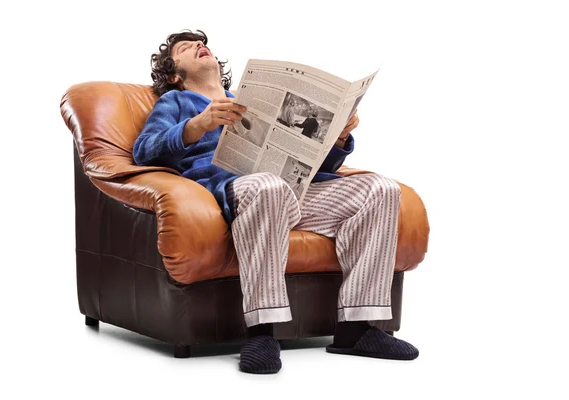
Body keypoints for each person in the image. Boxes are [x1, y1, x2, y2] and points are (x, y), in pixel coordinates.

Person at [133, 29, 418, 374]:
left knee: (381, 190)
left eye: (202, 43)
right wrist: (197, 125)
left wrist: (339, 137)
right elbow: (143, 151)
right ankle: (262, 333)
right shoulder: (174, 103)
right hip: (241, 189)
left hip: (294, 189)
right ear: (174, 73)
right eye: (185, 48)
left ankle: (358, 329)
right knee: (268, 186)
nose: (199, 45)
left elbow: (317, 165)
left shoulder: (245, 97)